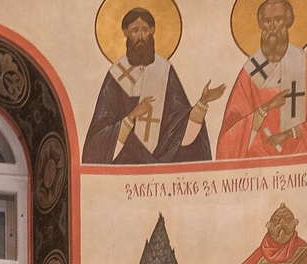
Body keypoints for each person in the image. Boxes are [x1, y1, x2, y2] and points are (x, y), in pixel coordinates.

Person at [85, 6, 219, 165]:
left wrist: (202, 103)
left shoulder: (164, 70)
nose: (140, 36)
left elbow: (179, 125)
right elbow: (99, 136)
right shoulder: (115, 76)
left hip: (163, 161)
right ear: (125, 32)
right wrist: (131, 117)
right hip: (126, 161)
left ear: (153, 31)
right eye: (135, 30)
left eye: (145, 30)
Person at [216, 0, 307, 158]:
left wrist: (291, 132)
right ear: (261, 25)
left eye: (278, 20)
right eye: (267, 21)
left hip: (301, 159)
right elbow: (230, 133)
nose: (272, 27)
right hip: (259, 160)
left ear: (288, 22)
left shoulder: (301, 63)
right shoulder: (251, 71)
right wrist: (264, 109)